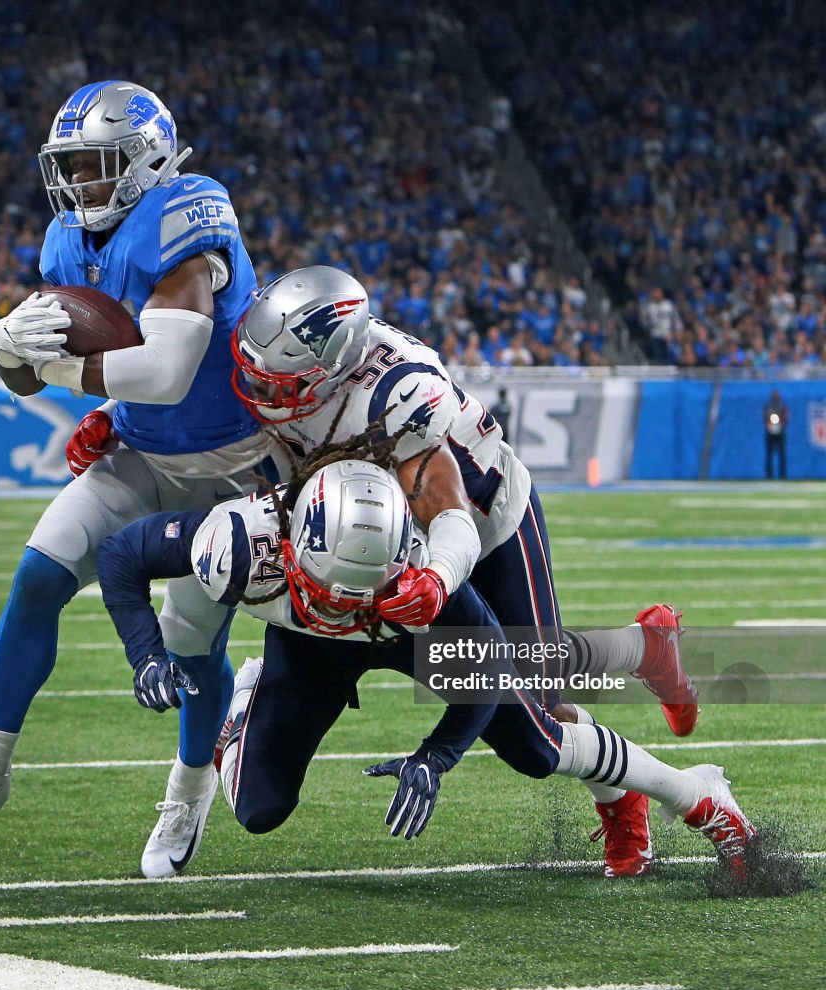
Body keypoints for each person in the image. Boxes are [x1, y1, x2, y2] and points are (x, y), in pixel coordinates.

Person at [0, 81, 279, 879]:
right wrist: (4, 344)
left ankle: (189, 790)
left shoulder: (187, 214)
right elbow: (28, 382)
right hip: (141, 454)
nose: (79, 183)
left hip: (232, 470)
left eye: (95, 165)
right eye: (71, 167)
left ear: (147, 160)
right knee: (38, 572)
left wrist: (48, 363)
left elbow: (169, 368)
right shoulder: (65, 243)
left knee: (190, 643)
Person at [224, 265, 700, 877]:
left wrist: (438, 580)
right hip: (381, 536)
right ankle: (644, 655)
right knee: (524, 690)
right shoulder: (289, 365)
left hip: (481, 520)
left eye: (283, 379)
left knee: (539, 697)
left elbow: (450, 516)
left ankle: (635, 714)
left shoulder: (401, 391)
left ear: (337, 367)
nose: (263, 390)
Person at [95, 455, 758, 880]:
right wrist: (145, 652)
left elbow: (490, 664)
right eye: (337, 589)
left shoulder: (421, 577)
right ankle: (247, 706)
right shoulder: (243, 540)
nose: (346, 603)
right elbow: (123, 555)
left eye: (366, 586)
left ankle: (695, 794)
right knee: (260, 808)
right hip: (308, 648)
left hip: (423, 606)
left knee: (536, 737)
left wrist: (436, 754)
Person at [764, 389, 789, 479]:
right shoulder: (768, 406)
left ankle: (783, 476)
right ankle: (769, 476)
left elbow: (786, 418)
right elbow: (765, 417)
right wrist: (769, 425)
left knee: (782, 454)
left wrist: (781, 424)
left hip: (780, 432)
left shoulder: (782, 406)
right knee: (769, 454)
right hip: (770, 432)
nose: (775, 397)